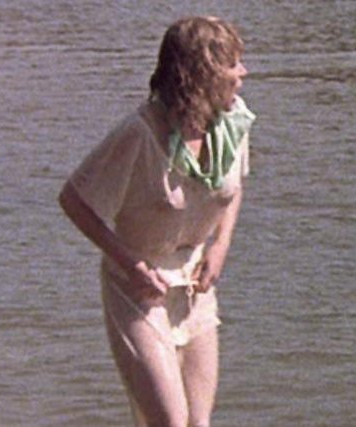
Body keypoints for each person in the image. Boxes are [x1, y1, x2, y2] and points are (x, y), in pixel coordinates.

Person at [58, 16, 253, 427]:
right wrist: (131, 264)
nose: (244, 73)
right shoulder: (140, 134)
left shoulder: (232, 125)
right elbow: (74, 200)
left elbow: (233, 188)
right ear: (203, 73)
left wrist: (220, 246)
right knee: (171, 421)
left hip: (195, 283)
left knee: (198, 423)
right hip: (137, 286)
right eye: (233, 64)